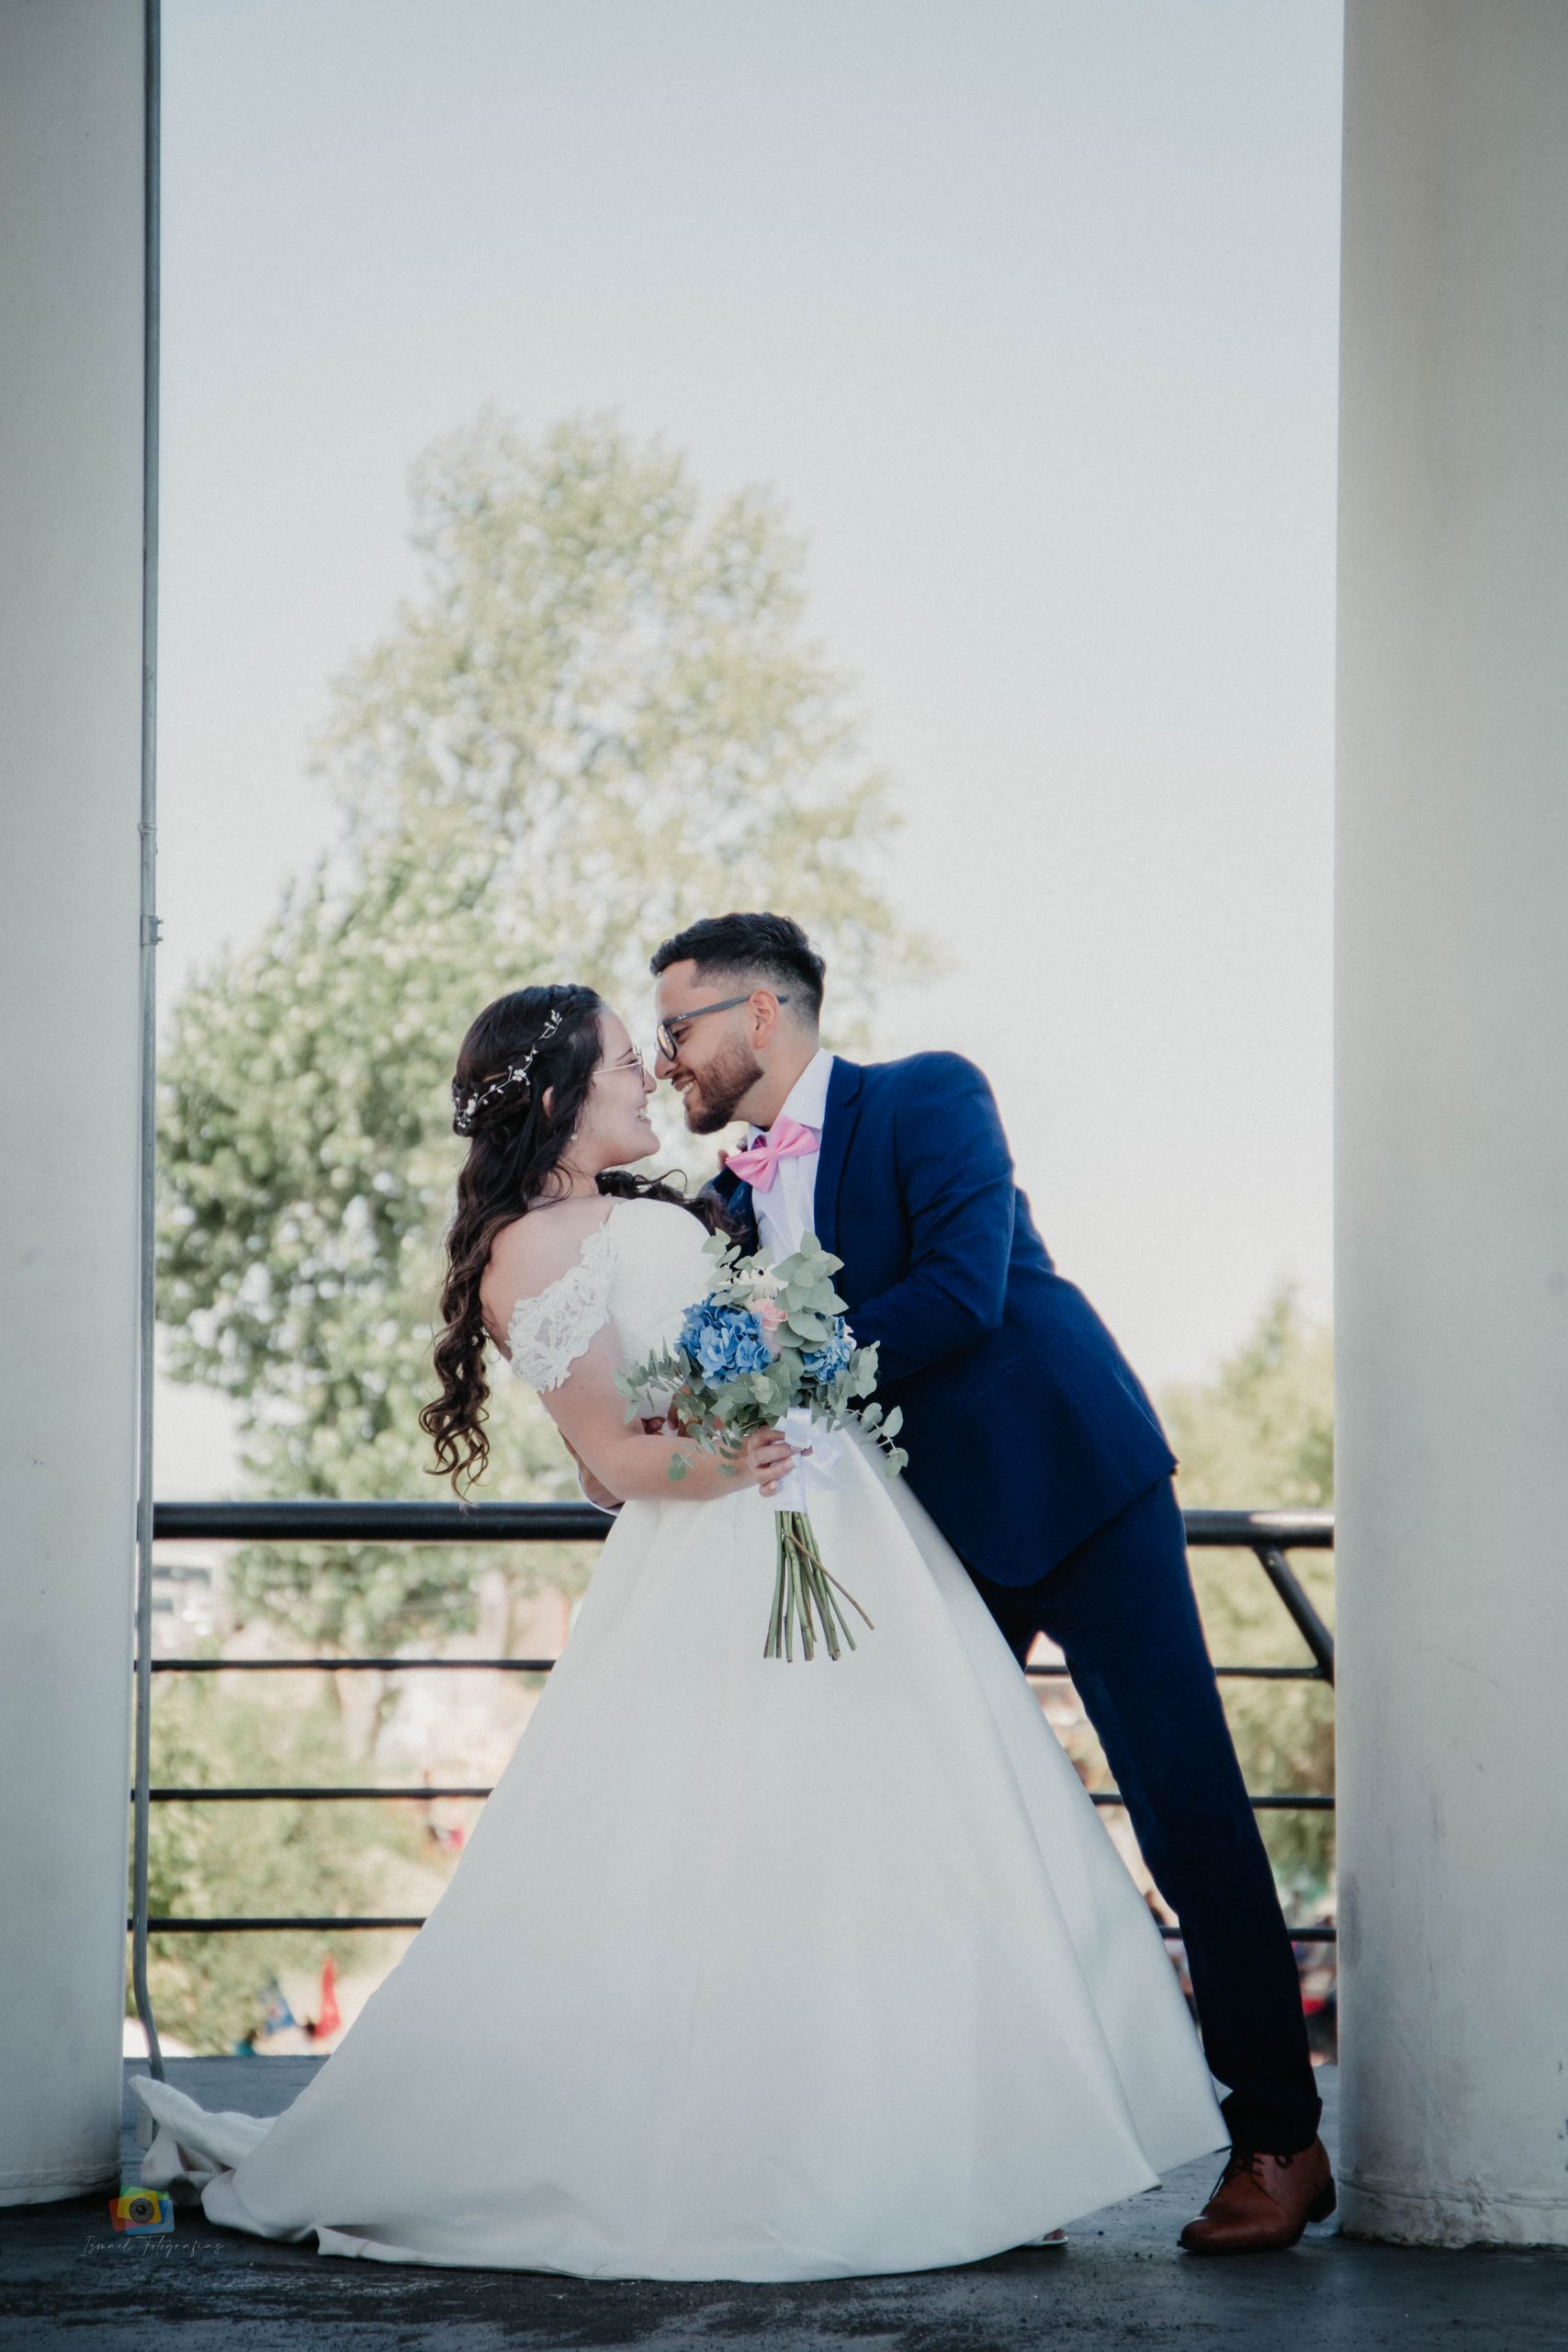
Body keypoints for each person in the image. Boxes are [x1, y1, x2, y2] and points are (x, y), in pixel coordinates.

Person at [130, 980, 1225, 2280]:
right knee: (761, 1853)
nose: (646, 1075)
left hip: (848, 1534)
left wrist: (756, 1395)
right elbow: (609, 1456)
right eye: (618, 1063)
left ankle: (958, 2151)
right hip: (730, 1548)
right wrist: (729, 1456)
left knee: (889, 1844)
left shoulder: (680, 1204)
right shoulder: (527, 1253)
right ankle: (799, 2161)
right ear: (556, 1098)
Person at [651, 912, 1336, 2256]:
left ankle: (1279, 2140)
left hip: (1073, 1487)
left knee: (1183, 1806)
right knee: (917, 1834)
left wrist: (777, 1364)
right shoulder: (724, 1202)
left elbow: (964, 1293)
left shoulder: (929, 1095)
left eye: (678, 1028)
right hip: (913, 1544)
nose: (666, 1056)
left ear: (760, 1014)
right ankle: (992, 2164)